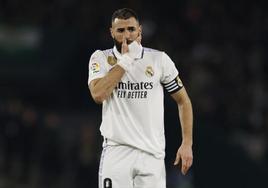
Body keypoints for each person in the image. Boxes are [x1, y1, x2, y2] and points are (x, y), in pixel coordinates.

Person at [88, 8, 193, 188]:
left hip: (152, 155)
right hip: (117, 152)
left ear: (140, 31)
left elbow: (183, 101)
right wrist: (126, 60)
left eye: (131, 29)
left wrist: (187, 143)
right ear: (111, 32)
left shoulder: (159, 60)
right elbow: (98, 95)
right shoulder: (101, 58)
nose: (126, 35)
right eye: (120, 30)